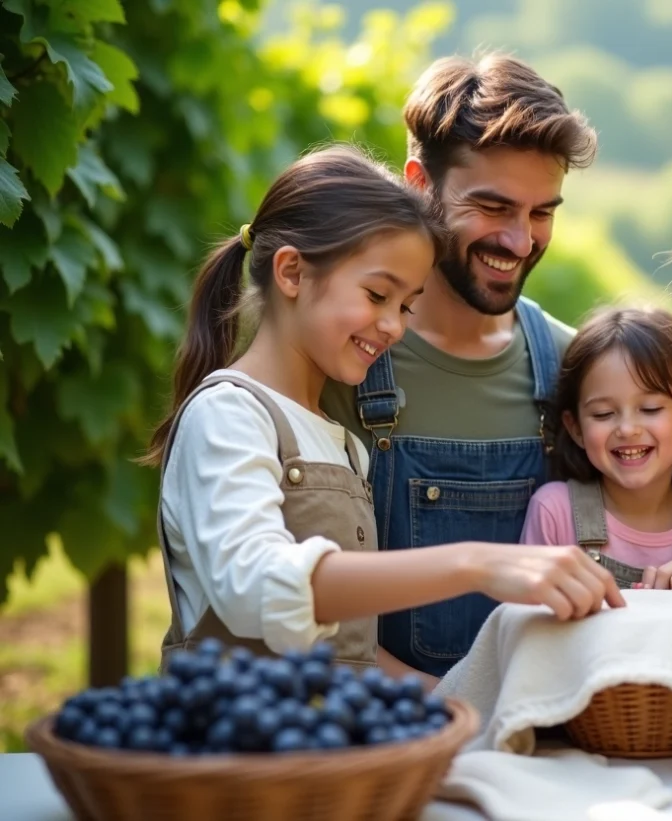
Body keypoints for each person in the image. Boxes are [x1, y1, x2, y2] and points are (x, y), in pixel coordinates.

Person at [146, 145, 623, 677]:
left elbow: (345, 650)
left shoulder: (339, 438)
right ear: (292, 272)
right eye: (377, 295)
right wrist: (475, 563)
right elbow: (256, 588)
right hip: (234, 727)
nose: (394, 326)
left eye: (406, 305)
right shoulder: (228, 415)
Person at [322, 54, 599, 679]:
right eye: (494, 207)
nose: (521, 242)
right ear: (420, 185)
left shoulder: (575, 368)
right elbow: (306, 612)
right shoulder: (343, 363)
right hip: (384, 722)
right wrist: (457, 710)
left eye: (543, 213)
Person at [520, 307, 672, 593]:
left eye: (650, 409)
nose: (627, 429)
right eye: (604, 414)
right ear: (576, 428)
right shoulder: (554, 512)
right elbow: (528, 617)